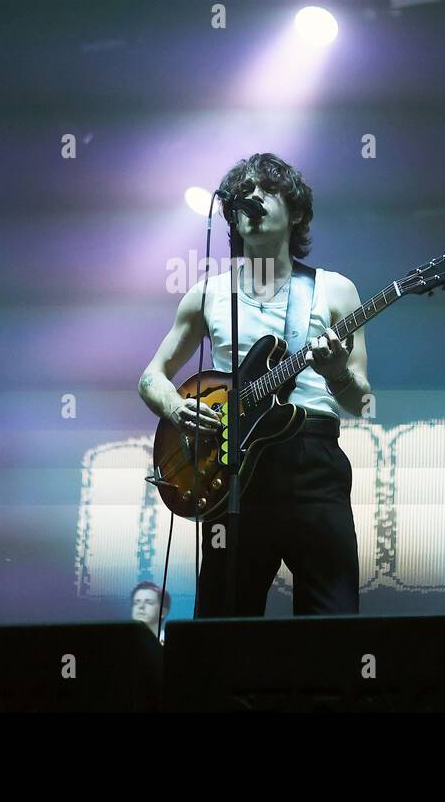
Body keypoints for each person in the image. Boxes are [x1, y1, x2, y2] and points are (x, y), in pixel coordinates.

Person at [138, 152, 369, 618]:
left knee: (332, 621)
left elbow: (360, 401)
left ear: (297, 212)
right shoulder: (207, 293)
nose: (254, 199)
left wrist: (335, 372)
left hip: (312, 462)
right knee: (224, 623)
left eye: (267, 190)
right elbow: (152, 376)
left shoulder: (335, 290)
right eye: (244, 194)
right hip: (234, 465)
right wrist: (176, 409)